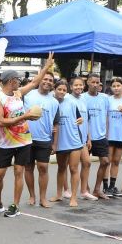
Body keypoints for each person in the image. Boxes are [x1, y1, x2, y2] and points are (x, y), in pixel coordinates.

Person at [0, 66, 45, 217]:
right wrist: (24, 117)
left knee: (19, 172)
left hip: (24, 141)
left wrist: (47, 66)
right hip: (6, 143)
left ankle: (15, 205)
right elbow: (1, 122)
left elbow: (35, 82)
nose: (20, 82)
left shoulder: (18, 93)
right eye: (18, 80)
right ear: (11, 81)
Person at [22, 62, 59, 208]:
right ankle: (32, 196)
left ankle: (43, 198)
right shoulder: (28, 95)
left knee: (43, 167)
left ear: (52, 84)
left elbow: (56, 123)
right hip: (27, 138)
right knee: (28, 168)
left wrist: (54, 143)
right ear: (40, 79)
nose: (47, 82)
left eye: (50, 80)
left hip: (45, 140)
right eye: (45, 79)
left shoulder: (55, 102)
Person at [51, 79, 84, 208]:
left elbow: (79, 118)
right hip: (59, 142)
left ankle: (74, 197)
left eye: (64, 90)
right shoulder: (51, 103)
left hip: (74, 141)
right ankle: (59, 194)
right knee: (61, 168)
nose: (62, 92)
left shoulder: (72, 103)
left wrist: (80, 120)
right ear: (54, 89)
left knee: (74, 168)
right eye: (59, 89)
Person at [81, 73, 110, 200]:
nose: (95, 85)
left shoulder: (104, 98)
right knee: (85, 164)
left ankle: (97, 189)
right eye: (92, 82)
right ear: (87, 82)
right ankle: (85, 189)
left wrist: (107, 134)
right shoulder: (82, 97)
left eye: (97, 82)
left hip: (101, 136)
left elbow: (107, 116)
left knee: (105, 161)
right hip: (85, 136)